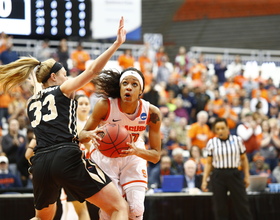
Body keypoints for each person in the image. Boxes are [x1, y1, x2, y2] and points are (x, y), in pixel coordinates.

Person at [0, 17, 128, 220]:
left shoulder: (32, 101)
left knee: (41, 218)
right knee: (119, 207)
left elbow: (38, 84)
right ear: (53, 77)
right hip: (65, 156)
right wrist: (116, 44)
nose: (67, 78)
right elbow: (93, 70)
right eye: (64, 74)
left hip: (40, 163)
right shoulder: (63, 89)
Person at [79, 66, 162, 220]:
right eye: (125, 83)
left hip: (133, 154)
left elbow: (156, 156)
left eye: (134, 84)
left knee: (136, 210)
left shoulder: (152, 112)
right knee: (112, 209)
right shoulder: (105, 105)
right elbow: (81, 136)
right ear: (120, 87)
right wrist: (91, 134)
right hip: (105, 156)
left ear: (141, 91)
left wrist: (136, 151)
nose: (128, 87)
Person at [201, 117, 252, 220]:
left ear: (228, 128)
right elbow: (209, 163)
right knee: (220, 206)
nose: (220, 131)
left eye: (222, 128)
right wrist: (204, 180)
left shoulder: (237, 140)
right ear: (215, 130)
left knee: (241, 204)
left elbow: (244, 159)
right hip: (218, 175)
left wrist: (247, 176)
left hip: (234, 173)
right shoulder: (212, 143)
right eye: (218, 129)